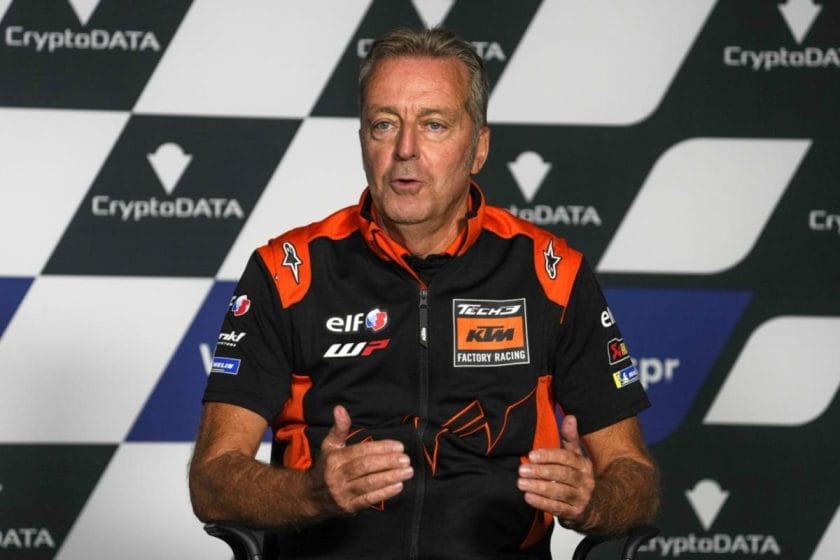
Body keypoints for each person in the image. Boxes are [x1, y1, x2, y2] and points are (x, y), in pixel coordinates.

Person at [189, 27, 659, 559]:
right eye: (384, 124)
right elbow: (211, 480)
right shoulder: (286, 272)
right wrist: (311, 493)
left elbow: (635, 476)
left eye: (434, 125)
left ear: (479, 147)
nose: (405, 150)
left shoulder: (553, 274)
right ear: (363, 141)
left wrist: (593, 503)